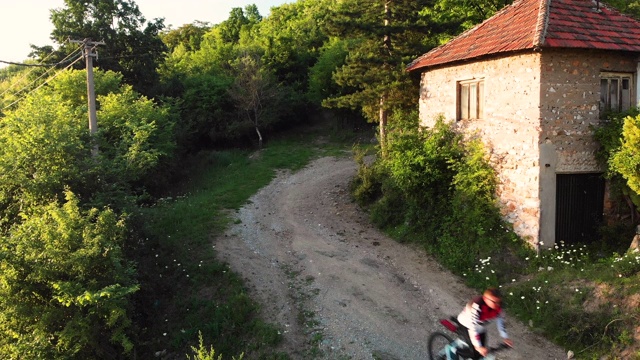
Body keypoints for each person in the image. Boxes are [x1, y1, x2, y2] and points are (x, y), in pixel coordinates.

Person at [456, 287, 514, 358]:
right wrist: (477, 347)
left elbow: (500, 321)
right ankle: (454, 350)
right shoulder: (476, 307)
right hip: (466, 325)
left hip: (480, 328)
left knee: (482, 353)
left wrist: (505, 337)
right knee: (474, 353)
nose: (498, 305)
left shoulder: (498, 307)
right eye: (494, 302)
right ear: (485, 299)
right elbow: (472, 329)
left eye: (499, 302)